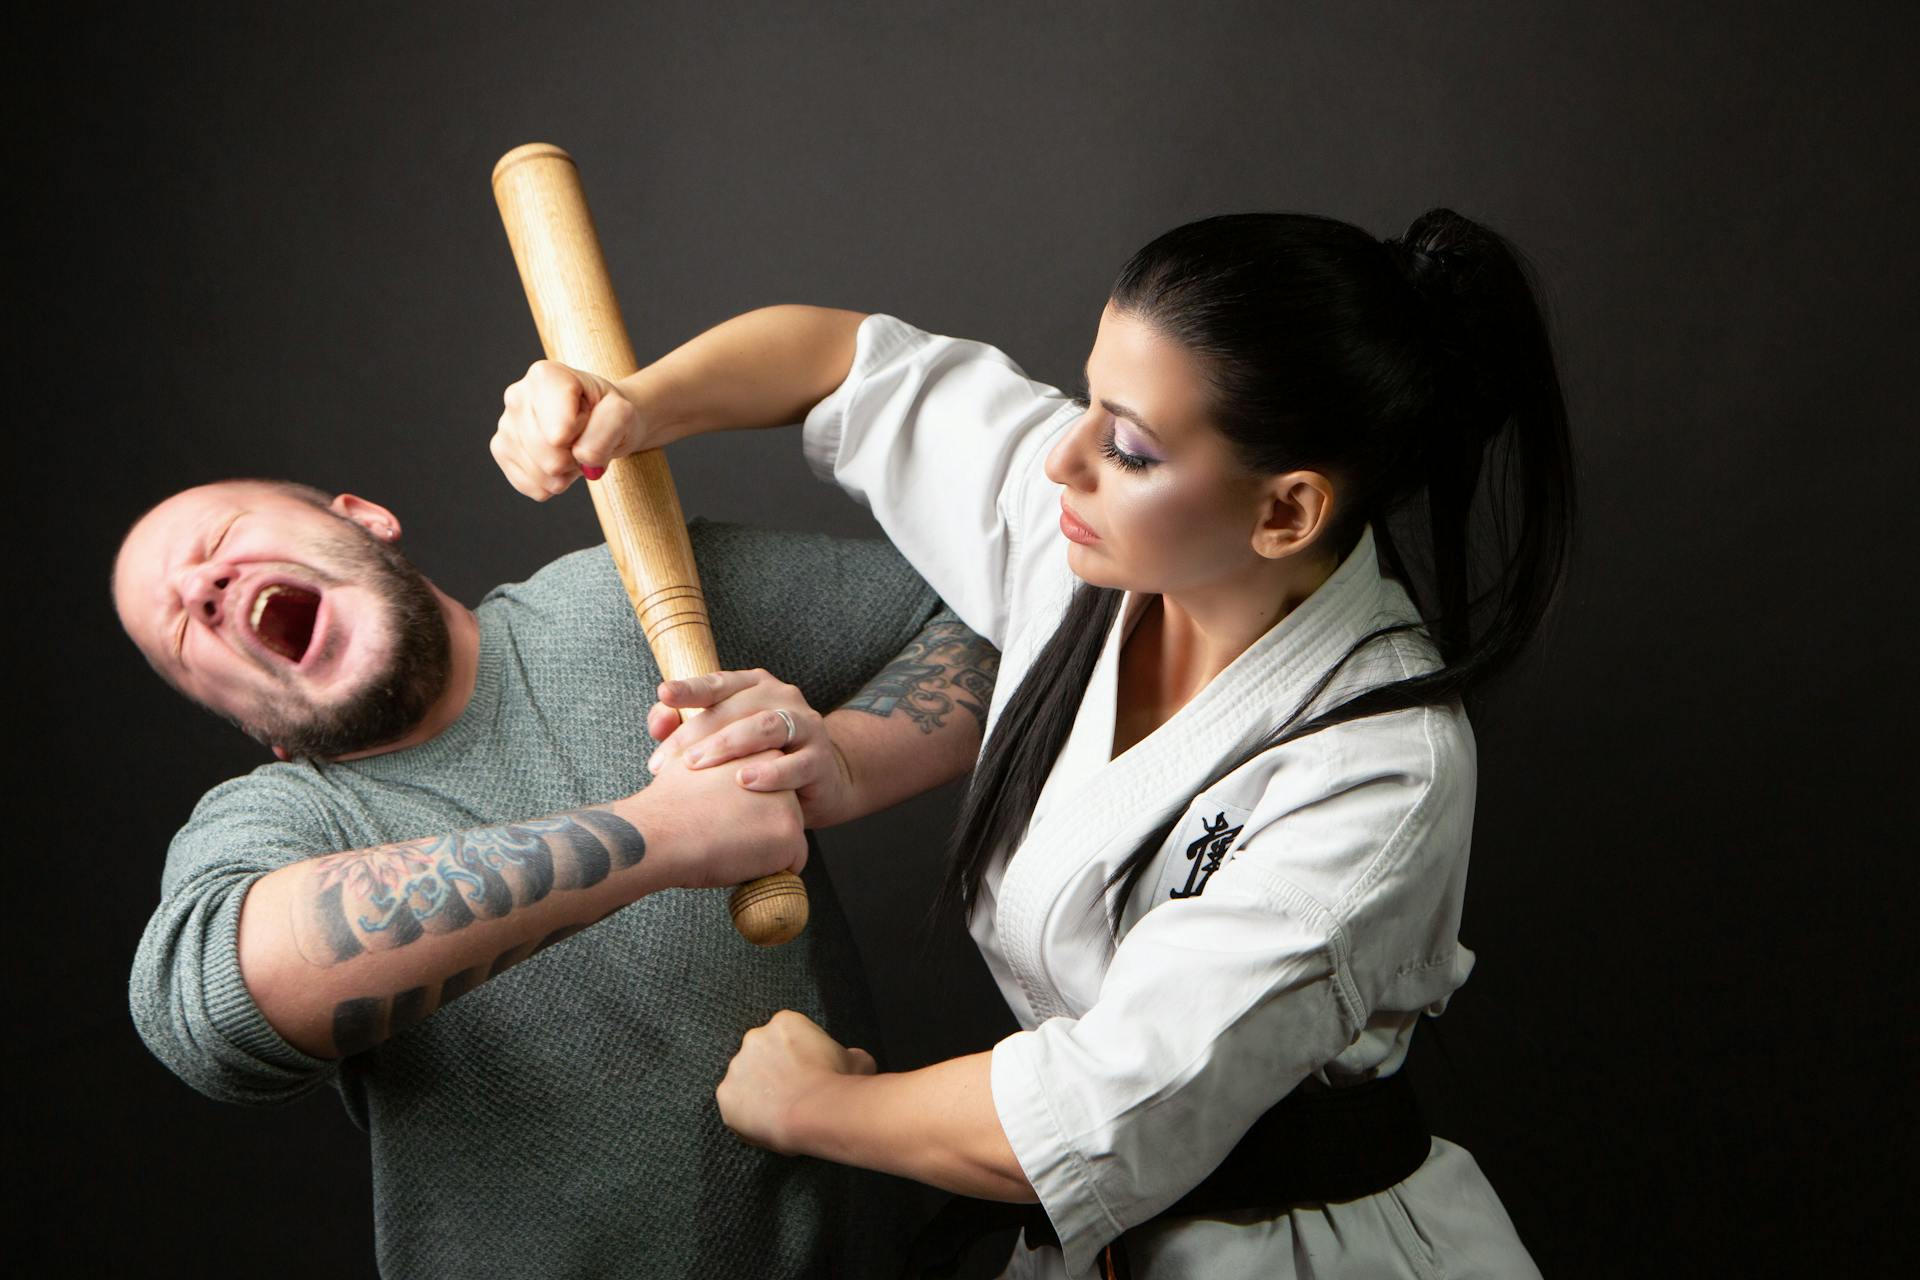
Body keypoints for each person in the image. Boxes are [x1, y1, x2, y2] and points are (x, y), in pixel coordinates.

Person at [490, 207, 1574, 1278]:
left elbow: (1092, 1111)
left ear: (1286, 513)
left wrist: (815, 1104)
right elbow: (838, 364)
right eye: (1089, 396)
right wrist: (633, 406)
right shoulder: (1105, 539)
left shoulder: (1378, 769)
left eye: (1129, 444)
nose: (1062, 456)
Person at [115, 477, 1001, 1277]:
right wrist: (662, 832)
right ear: (244, 718)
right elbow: (213, 1012)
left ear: (364, 519)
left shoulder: (627, 592)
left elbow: (1000, 621)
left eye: (221, 538)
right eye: (184, 628)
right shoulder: (277, 823)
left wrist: (838, 761)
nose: (202, 588)